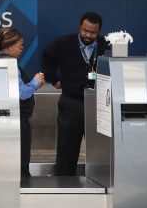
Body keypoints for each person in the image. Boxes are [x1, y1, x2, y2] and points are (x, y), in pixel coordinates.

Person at [41, 11, 107, 176]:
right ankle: (64, 182)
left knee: (101, 147)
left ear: (98, 31)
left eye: (93, 32)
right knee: (67, 147)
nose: (88, 35)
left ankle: (101, 181)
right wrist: (55, 80)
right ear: (80, 26)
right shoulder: (64, 43)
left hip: (99, 104)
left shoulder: (105, 45)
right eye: (85, 30)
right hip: (72, 102)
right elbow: (46, 59)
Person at [0, 28, 45, 177]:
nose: (22, 50)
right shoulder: (8, 65)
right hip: (17, 122)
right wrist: (35, 82)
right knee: (20, 162)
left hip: (4, 121)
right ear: (10, 47)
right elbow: (20, 93)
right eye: (20, 46)